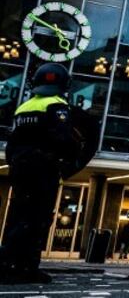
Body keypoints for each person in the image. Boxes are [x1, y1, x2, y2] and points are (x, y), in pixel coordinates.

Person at [0, 63, 98, 284]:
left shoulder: (24, 107)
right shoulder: (57, 105)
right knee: (37, 218)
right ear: (65, 85)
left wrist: (14, 165)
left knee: (19, 215)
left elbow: (12, 143)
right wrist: (69, 160)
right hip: (43, 168)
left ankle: (13, 264)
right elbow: (62, 139)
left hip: (20, 167)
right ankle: (21, 266)